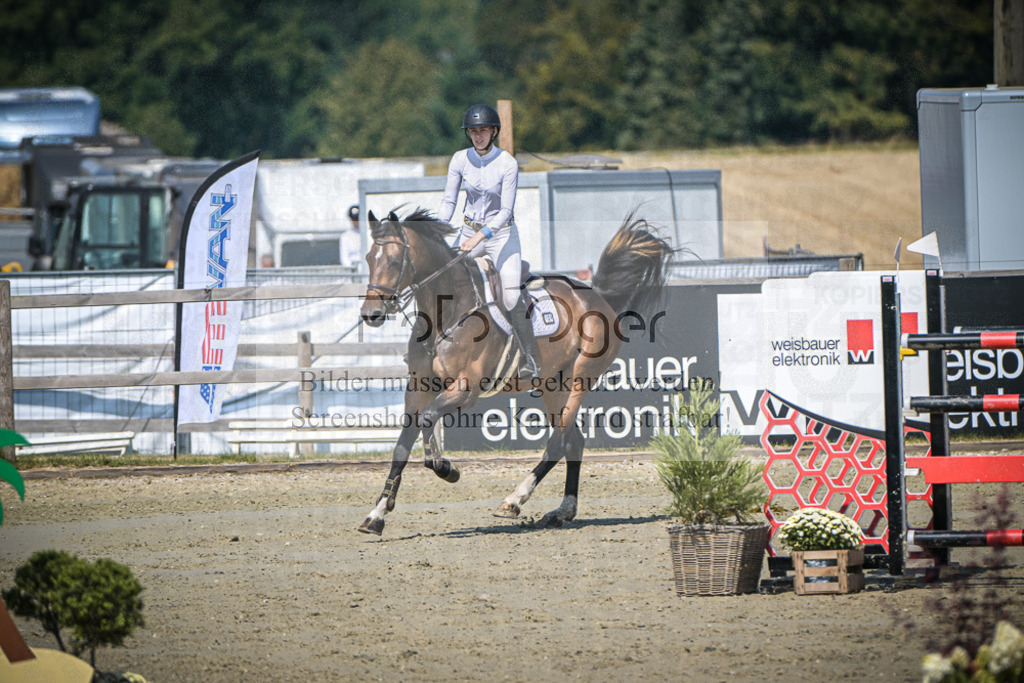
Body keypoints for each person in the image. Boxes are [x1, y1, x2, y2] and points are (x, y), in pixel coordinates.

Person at [437, 103, 539, 380]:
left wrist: (480, 238)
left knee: (509, 294)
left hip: (501, 236)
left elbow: (505, 211)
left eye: (482, 130)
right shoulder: (459, 159)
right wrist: (436, 230)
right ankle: (429, 346)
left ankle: (530, 357)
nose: (478, 135)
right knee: (441, 280)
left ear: (493, 131)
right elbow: (449, 201)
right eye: (473, 131)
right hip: (468, 231)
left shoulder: (507, 163)